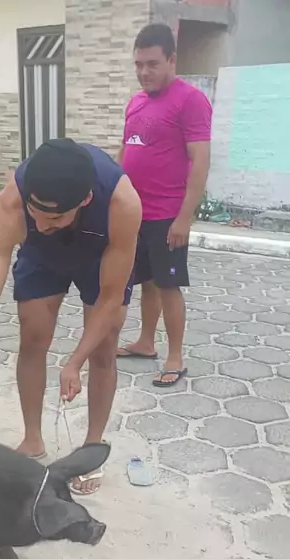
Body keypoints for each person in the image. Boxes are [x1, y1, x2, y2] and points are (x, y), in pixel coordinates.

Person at [0, 138, 142, 495]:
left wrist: (75, 361)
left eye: (52, 216)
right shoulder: (10, 205)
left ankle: (91, 449)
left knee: (103, 350)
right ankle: (32, 439)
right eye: (33, 211)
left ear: (85, 200)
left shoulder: (122, 204)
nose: (39, 223)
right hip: (42, 256)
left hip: (100, 255)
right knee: (33, 338)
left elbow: (111, 298)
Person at [117, 22, 212, 387]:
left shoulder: (190, 100)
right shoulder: (136, 102)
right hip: (135, 213)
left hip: (167, 215)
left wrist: (184, 218)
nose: (144, 72)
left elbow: (200, 162)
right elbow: (126, 150)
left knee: (168, 284)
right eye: (139, 64)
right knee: (147, 281)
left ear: (172, 60)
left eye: (152, 64)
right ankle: (145, 342)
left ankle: (175, 357)